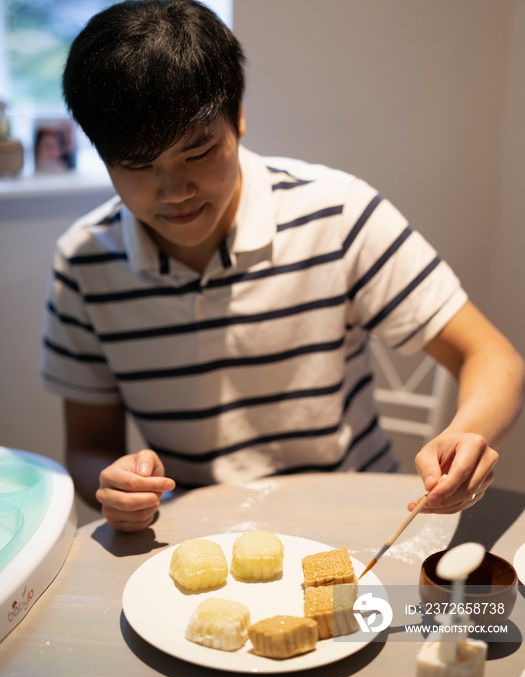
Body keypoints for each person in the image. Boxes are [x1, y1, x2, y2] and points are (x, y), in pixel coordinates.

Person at [40, 0, 524, 532]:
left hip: (359, 522)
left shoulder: (336, 213)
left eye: (198, 153)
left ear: (239, 113)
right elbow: (88, 448)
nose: (175, 191)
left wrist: (469, 434)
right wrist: (117, 487)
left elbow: (493, 357)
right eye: (138, 166)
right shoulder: (85, 262)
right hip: (198, 536)